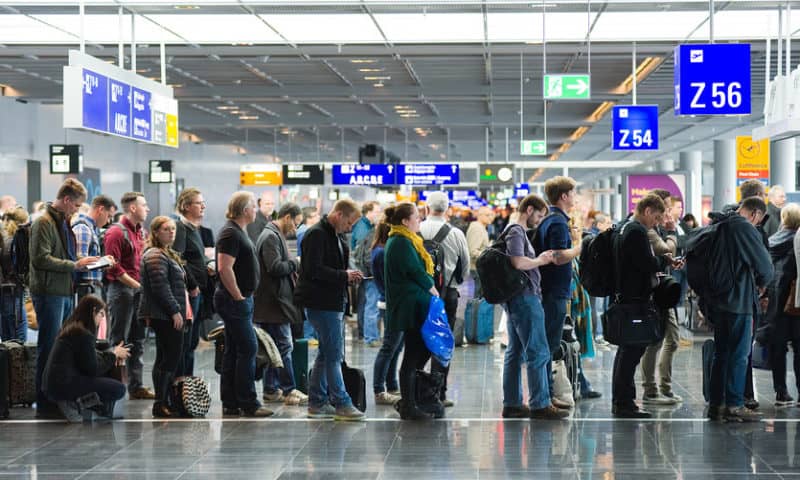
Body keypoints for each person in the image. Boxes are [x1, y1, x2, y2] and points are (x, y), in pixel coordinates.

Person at [30, 178, 100, 417]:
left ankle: (56, 397)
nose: (78, 210)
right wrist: (74, 264)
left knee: (61, 349)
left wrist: (81, 263)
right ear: (67, 199)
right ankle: (44, 401)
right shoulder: (43, 223)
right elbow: (40, 259)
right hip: (49, 292)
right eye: (77, 205)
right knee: (48, 347)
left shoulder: (62, 222)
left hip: (64, 290)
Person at [611, 194, 681, 418]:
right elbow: (646, 263)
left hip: (627, 296)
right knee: (631, 352)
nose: (658, 222)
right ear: (648, 210)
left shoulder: (626, 229)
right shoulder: (636, 232)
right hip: (635, 298)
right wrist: (664, 261)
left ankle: (623, 400)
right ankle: (624, 403)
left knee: (627, 352)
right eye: (657, 217)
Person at [295, 199, 365, 421]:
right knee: (334, 354)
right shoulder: (316, 234)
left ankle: (316, 402)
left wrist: (347, 275)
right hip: (321, 302)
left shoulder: (334, 235)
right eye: (350, 222)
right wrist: (344, 275)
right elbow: (313, 270)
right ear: (340, 214)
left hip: (331, 301)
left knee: (326, 353)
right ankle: (342, 402)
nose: (350, 228)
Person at [705, 196, 774, 422]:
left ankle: (717, 404)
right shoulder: (744, 227)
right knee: (739, 354)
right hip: (740, 300)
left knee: (721, 352)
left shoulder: (720, 223)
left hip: (718, 300)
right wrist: (763, 284)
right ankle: (734, 404)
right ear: (755, 214)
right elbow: (765, 266)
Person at [500, 194, 567, 420]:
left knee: (516, 351)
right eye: (538, 215)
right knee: (538, 350)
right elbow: (518, 262)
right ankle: (540, 403)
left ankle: (512, 403)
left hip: (517, 299)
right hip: (526, 299)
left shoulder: (513, 230)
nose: (538, 221)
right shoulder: (517, 231)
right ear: (529, 210)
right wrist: (541, 260)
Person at [215, 191, 272, 417]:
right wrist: (238, 295)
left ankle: (231, 402)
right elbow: (224, 267)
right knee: (248, 348)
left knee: (234, 350)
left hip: (239, 299)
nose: (256, 211)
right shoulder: (231, 233)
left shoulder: (238, 231)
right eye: (253, 207)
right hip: (234, 301)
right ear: (244, 210)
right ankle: (248, 402)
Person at [383, 202, 438, 420]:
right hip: (409, 308)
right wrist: (431, 287)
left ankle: (413, 399)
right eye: (416, 217)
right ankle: (409, 405)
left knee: (418, 353)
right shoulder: (400, 242)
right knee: (413, 355)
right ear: (405, 221)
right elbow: (414, 270)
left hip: (413, 306)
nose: (420, 220)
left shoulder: (404, 240)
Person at [534, 176, 583, 410]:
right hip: (554, 292)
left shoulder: (550, 220)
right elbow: (558, 256)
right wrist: (579, 245)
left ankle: (546, 394)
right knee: (549, 344)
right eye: (573, 193)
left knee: (548, 342)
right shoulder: (558, 223)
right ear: (564, 196)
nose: (575, 197)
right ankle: (545, 397)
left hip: (549, 290)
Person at [253, 202, 308, 407]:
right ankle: (288, 389)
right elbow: (275, 267)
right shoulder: (270, 237)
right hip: (274, 303)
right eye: (295, 223)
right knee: (284, 346)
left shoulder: (274, 235)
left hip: (272, 302)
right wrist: (297, 262)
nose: (295, 229)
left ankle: (270, 389)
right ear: (287, 217)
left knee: (272, 348)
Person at [42, 295, 129, 422]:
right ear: (93, 311)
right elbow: (92, 369)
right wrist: (114, 354)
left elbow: (86, 360)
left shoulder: (74, 328)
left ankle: (85, 405)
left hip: (55, 385)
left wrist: (110, 354)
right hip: (63, 386)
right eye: (100, 314)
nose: (102, 318)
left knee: (108, 377)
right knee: (118, 389)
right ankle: (75, 404)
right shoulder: (83, 334)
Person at [420, 191, 470, 407]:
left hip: (420, 293)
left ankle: (417, 388)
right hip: (447, 293)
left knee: (417, 341)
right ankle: (439, 393)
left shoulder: (417, 230)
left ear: (426, 208)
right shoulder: (456, 233)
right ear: (447, 210)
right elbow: (465, 266)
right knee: (442, 342)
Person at [138, 216, 190, 418]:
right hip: (163, 315)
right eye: (166, 229)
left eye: (173, 229)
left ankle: (164, 400)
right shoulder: (154, 255)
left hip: (166, 313)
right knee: (169, 358)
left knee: (166, 358)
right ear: (156, 232)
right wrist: (175, 311)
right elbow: (161, 287)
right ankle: (160, 403)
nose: (171, 232)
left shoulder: (165, 253)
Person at [104, 192, 153, 401]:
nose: (147, 208)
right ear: (132, 208)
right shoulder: (116, 232)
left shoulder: (140, 231)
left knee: (138, 340)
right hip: (122, 292)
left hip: (137, 291)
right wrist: (137, 285)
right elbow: (112, 267)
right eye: (144, 205)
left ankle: (136, 386)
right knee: (118, 340)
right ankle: (113, 386)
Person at [640, 189, 683, 406]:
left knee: (672, 339)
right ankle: (651, 389)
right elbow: (666, 250)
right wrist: (672, 234)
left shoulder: (654, 228)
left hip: (663, 290)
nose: (667, 214)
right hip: (654, 293)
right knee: (655, 342)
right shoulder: (649, 231)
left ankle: (664, 386)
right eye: (663, 209)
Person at [760, 203, 800, 407]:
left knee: (778, 348)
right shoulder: (797, 240)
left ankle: (781, 391)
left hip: (777, 301)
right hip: (795, 300)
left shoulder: (771, 241)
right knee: (799, 348)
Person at [172, 187, 211, 376]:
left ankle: (188, 384)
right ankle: (180, 385)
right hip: (188, 294)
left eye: (203, 202)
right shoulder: (180, 228)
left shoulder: (193, 229)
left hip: (198, 292)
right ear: (186, 207)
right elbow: (177, 259)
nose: (203, 206)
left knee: (192, 342)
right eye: (199, 203)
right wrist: (193, 284)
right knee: (185, 343)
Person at [371, 221, 403, 406]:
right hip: (390, 303)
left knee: (395, 346)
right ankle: (379, 389)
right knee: (389, 346)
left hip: (390, 302)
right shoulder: (382, 252)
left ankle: (391, 384)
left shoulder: (380, 250)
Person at [71, 194, 117, 303]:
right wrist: (102, 262)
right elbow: (79, 264)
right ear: (101, 209)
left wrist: (104, 262)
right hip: (85, 289)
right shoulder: (83, 229)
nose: (109, 221)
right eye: (109, 216)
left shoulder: (91, 229)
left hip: (91, 287)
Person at [351, 201, 382, 344]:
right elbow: (367, 254)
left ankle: (367, 335)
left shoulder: (366, 228)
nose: (379, 214)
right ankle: (370, 337)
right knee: (371, 305)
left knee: (366, 303)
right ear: (368, 212)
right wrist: (373, 273)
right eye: (377, 211)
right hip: (370, 274)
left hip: (366, 272)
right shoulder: (365, 230)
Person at [1, 206, 30, 342]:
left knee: (6, 331)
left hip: (6, 289)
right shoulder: (16, 240)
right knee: (18, 335)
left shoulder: (4, 237)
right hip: (13, 289)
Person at [466, 206, 493, 298]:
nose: (491, 217)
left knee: (480, 296)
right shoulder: (477, 228)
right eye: (488, 215)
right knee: (479, 297)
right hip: (477, 268)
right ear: (480, 216)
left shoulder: (481, 227)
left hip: (480, 267)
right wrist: (489, 254)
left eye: (491, 215)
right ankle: (474, 312)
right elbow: (473, 251)